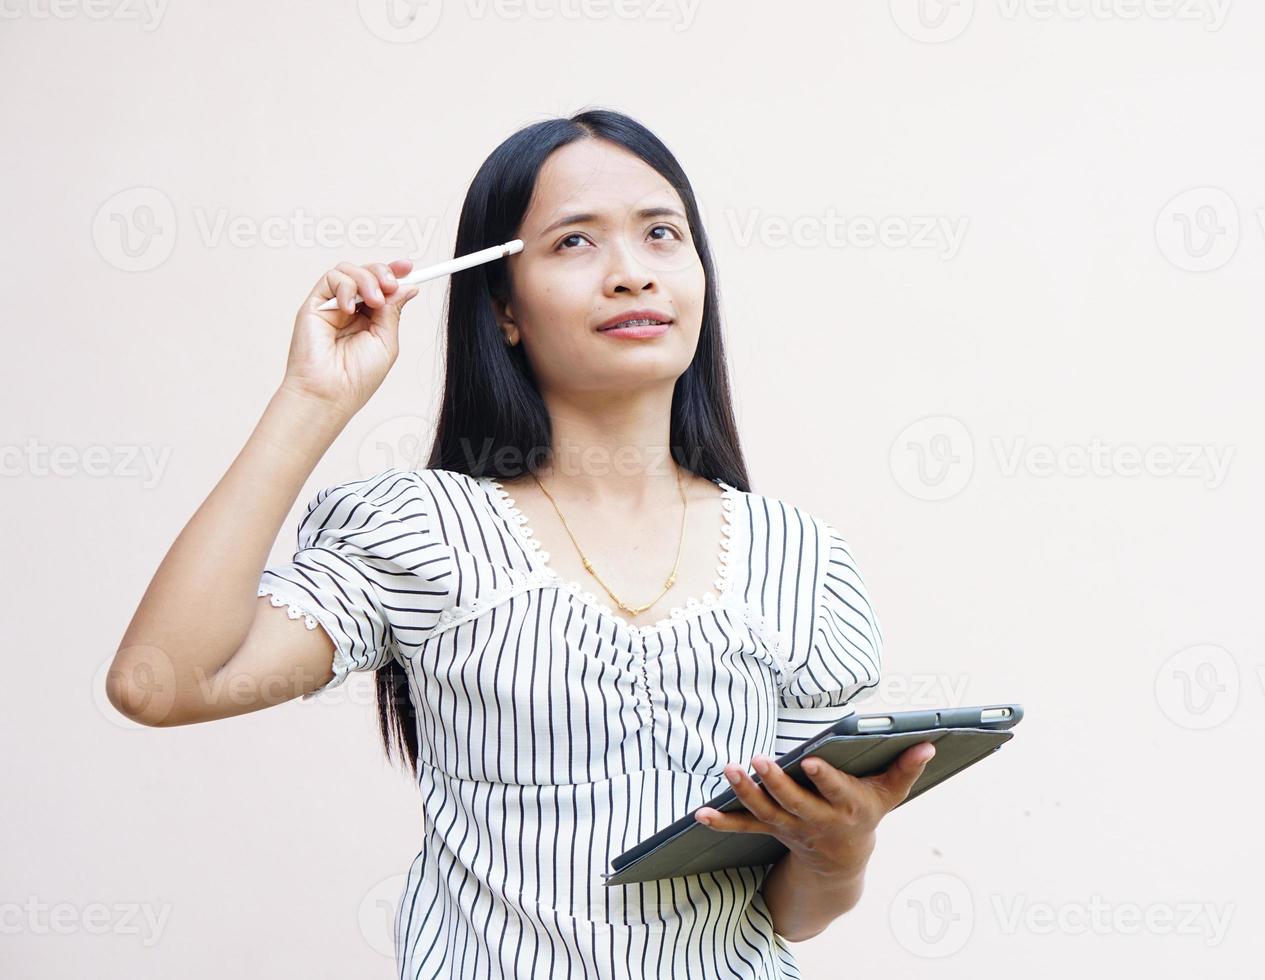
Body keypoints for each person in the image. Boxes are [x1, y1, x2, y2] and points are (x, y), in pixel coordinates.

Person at [109, 107, 937, 979]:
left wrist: (838, 852)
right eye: (575, 243)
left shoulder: (800, 559)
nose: (630, 275)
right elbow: (158, 684)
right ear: (503, 306)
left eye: (662, 234)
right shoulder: (426, 533)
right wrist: (313, 397)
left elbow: (787, 916)